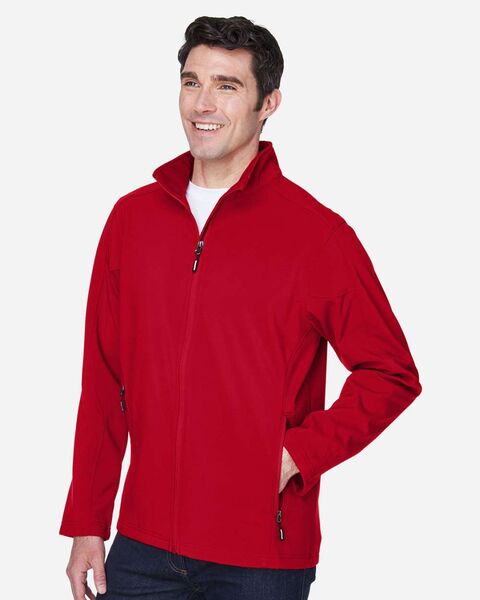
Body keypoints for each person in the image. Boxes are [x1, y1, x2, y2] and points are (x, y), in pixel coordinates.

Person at [60, 15, 422, 600]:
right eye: (191, 82)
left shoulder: (316, 236)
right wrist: (87, 521)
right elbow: (103, 381)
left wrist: (298, 454)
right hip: (142, 547)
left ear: (267, 103)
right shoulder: (132, 220)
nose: (203, 103)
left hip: (260, 557)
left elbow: (391, 373)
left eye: (227, 86)